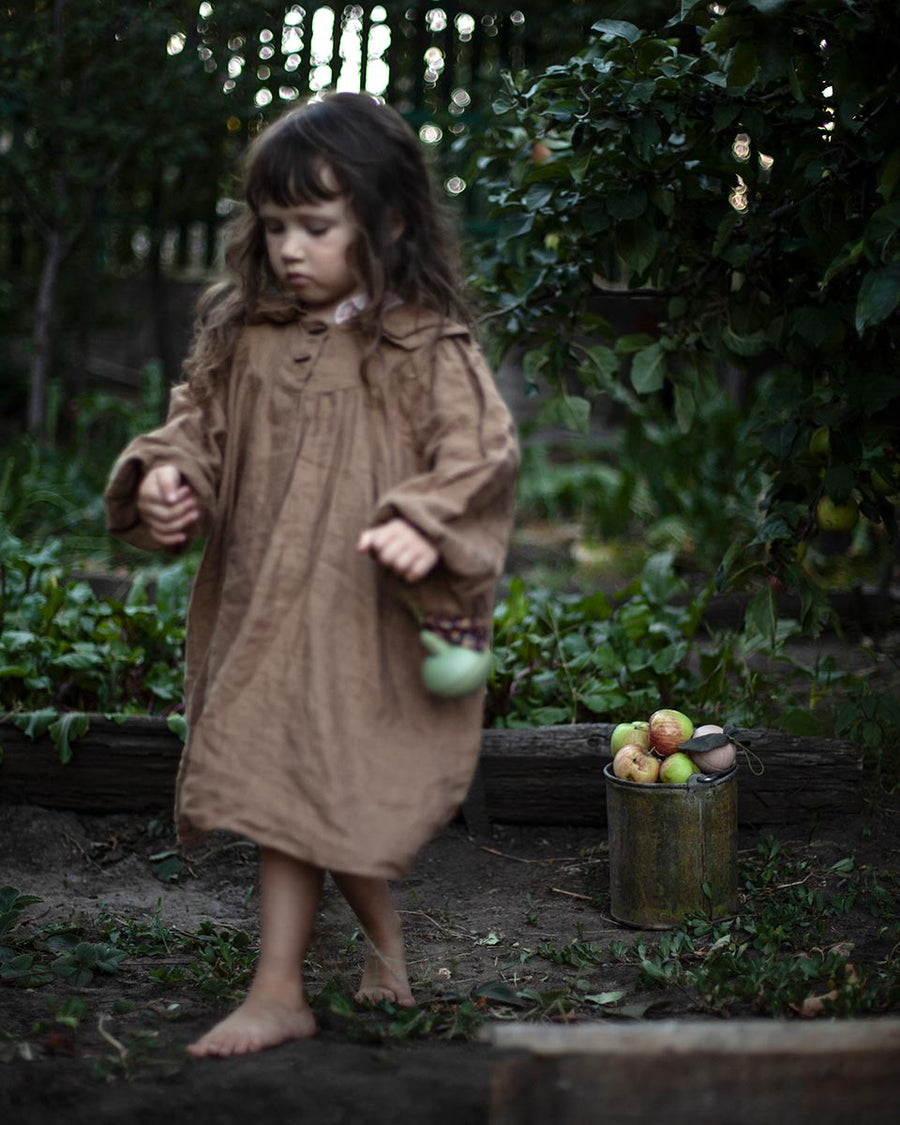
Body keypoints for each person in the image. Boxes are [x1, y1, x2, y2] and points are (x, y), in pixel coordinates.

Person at [104, 92, 519, 1058]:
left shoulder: (424, 346)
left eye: (317, 226)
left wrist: (427, 522)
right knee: (287, 779)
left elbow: (481, 453)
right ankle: (280, 987)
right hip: (264, 600)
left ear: (390, 222)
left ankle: (373, 949)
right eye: (275, 224)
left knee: (335, 787)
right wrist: (171, 480)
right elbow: (194, 425)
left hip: (363, 611)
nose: (290, 247)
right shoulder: (245, 335)